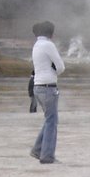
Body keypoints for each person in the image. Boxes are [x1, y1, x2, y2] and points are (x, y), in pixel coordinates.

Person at [29, 21, 65, 164]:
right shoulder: (48, 45)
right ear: (51, 33)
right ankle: (47, 156)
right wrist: (54, 71)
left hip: (37, 86)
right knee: (52, 121)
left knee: (49, 119)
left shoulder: (36, 45)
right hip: (48, 86)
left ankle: (37, 150)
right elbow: (61, 66)